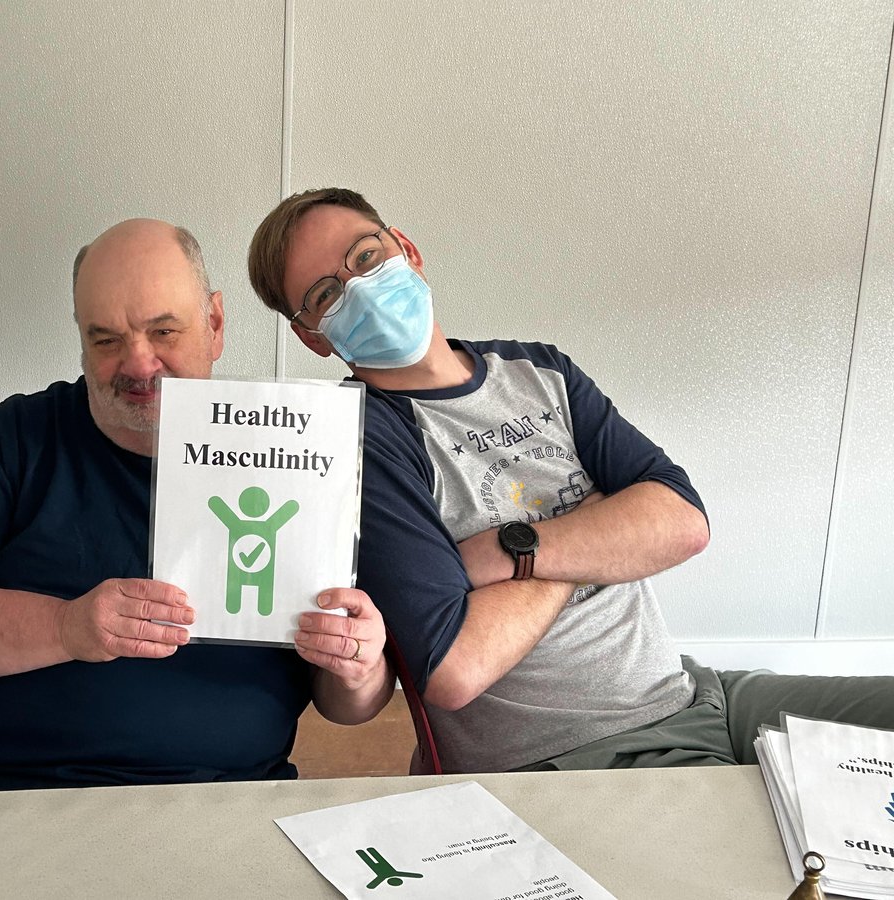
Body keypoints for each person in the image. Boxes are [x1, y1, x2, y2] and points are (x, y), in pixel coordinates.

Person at [248, 188, 894, 774]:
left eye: (366, 256)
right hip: (592, 750)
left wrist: (514, 551)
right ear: (313, 338)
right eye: (327, 294)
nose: (359, 288)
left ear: (407, 250)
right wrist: (600, 522)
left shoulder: (539, 370)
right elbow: (454, 668)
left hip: (697, 691)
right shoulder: (359, 437)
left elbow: (684, 524)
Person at [0, 218, 393, 794]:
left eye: (164, 332)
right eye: (107, 340)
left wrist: (360, 666)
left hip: (221, 798)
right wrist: (66, 628)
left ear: (214, 324)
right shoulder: (10, 441)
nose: (139, 365)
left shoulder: (307, 451)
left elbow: (347, 704)